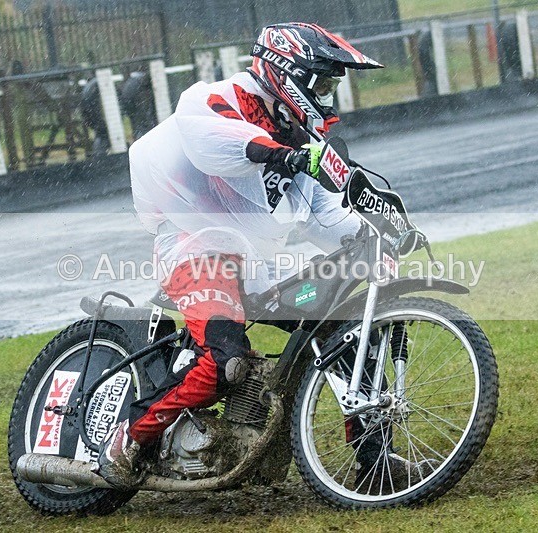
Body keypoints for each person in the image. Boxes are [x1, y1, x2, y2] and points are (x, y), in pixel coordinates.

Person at [97, 22, 400, 490]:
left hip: (256, 262)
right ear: (288, 73)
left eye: (331, 87)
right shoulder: (218, 97)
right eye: (322, 84)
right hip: (194, 246)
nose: (327, 97)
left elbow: (327, 217)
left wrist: (375, 235)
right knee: (224, 362)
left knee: (351, 335)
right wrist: (285, 155)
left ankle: (376, 464)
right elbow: (213, 143)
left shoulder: (304, 138)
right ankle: (127, 439)